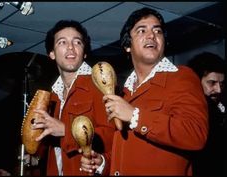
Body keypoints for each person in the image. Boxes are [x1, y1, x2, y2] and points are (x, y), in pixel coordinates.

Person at [80, 7, 209, 176]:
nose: (151, 35)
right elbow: (127, 152)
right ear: (127, 46)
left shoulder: (181, 77)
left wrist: (135, 116)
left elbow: (195, 134)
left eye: (158, 31)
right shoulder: (123, 93)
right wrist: (103, 163)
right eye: (142, 30)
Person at [31, 20, 115, 176]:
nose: (70, 47)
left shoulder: (99, 85)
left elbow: (112, 137)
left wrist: (65, 131)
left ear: (84, 52)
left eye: (77, 42)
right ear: (52, 54)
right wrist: (35, 155)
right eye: (62, 42)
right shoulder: (52, 95)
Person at [188, 52, 226, 177]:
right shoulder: (192, 113)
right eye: (212, 83)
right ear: (196, 82)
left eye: (222, 84)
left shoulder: (220, 106)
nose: (219, 89)